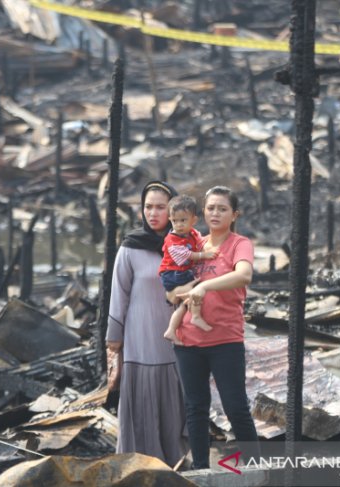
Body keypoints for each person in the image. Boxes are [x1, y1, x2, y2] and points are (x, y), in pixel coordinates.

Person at [173, 185, 261, 469]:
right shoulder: (195, 245)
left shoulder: (239, 243)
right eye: (210, 208)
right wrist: (182, 289)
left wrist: (205, 285)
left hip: (225, 340)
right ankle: (201, 469)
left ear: (234, 214)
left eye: (222, 208)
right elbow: (172, 285)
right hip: (188, 341)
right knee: (196, 409)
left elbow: (244, 275)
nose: (215, 213)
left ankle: (256, 470)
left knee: (236, 407)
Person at [106, 180, 187, 467]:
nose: (153, 213)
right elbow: (119, 296)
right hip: (140, 342)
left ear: (173, 210)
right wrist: (114, 343)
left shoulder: (184, 246)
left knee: (176, 405)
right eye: (148, 207)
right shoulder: (130, 247)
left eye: (160, 207)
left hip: (176, 341)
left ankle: (175, 463)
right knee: (141, 405)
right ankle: (138, 465)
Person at [159, 195, 218, 342]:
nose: (178, 225)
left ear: (194, 220)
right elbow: (185, 255)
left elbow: (200, 240)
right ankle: (196, 316)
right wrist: (204, 255)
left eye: (183, 220)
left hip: (179, 272)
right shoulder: (171, 239)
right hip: (172, 273)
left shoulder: (192, 233)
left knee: (184, 304)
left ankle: (171, 329)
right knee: (199, 287)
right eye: (174, 221)